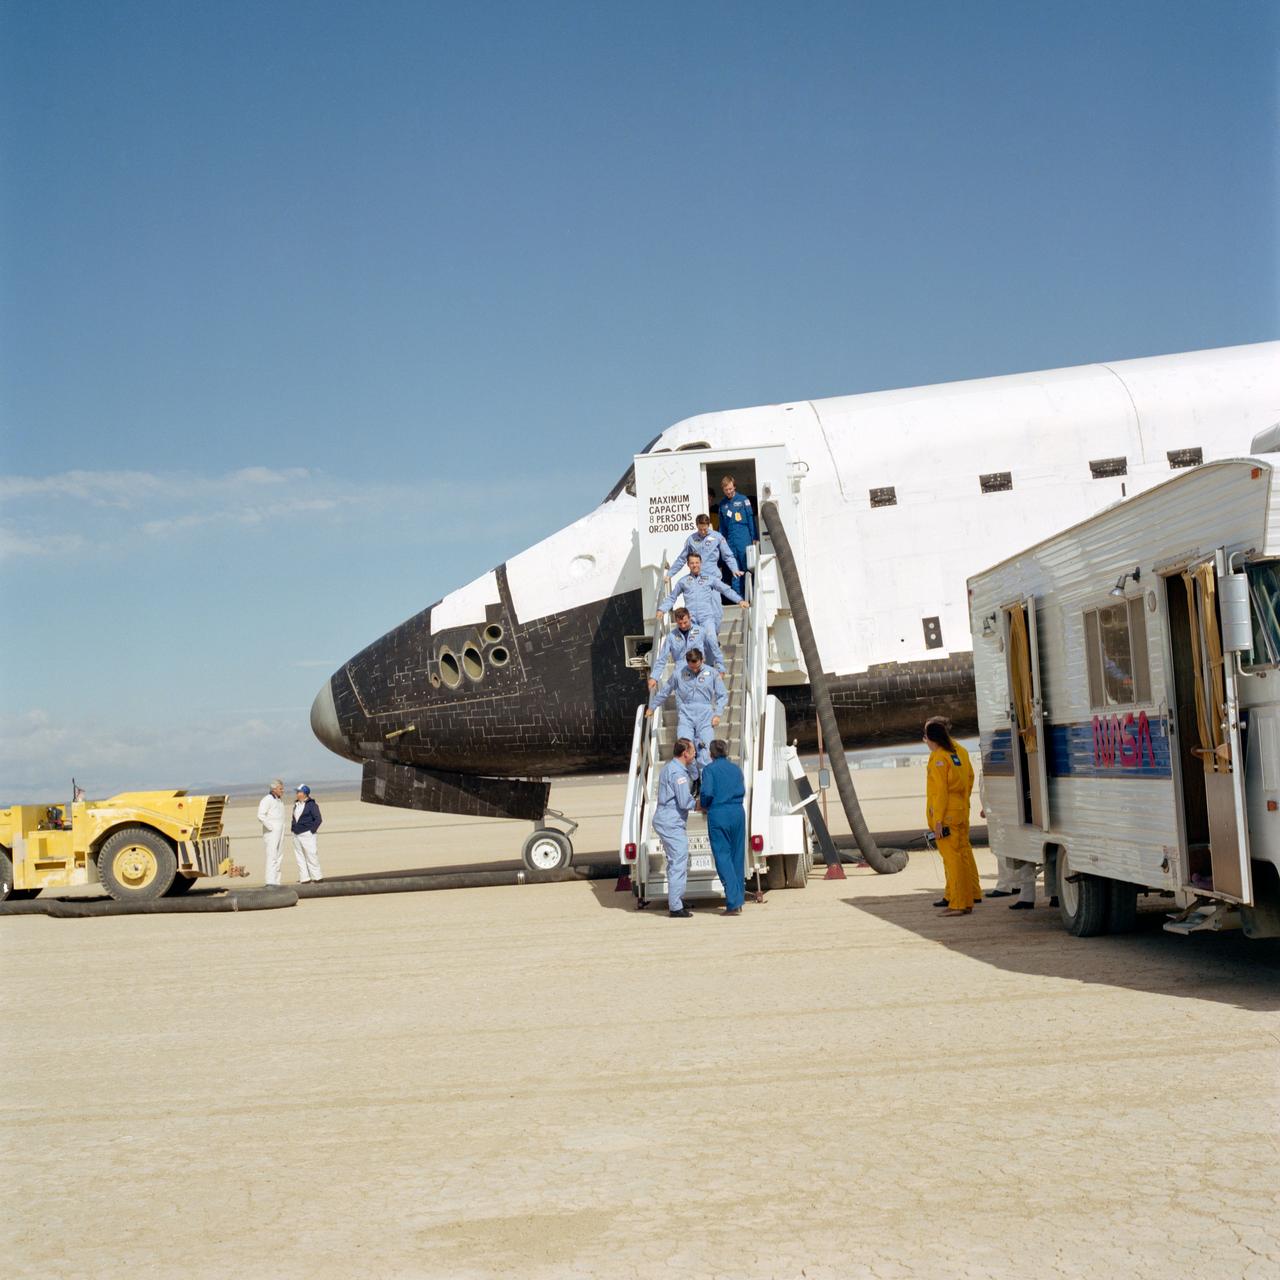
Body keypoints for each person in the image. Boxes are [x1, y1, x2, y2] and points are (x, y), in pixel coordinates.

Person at [924, 717, 981, 916]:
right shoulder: (960, 752)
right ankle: (967, 899)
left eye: (926, 738)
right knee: (963, 856)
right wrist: (963, 801)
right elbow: (970, 778)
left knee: (952, 861)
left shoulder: (940, 757)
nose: (926, 742)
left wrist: (938, 820)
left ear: (933, 739)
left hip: (947, 815)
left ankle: (957, 904)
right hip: (961, 812)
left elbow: (940, 792)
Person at [646, 648, 727, 774]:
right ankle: (695, 777)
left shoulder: (712, 673)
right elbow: (665, 691)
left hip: (705, 715)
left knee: (705, 751)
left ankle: (705, 780)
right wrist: (652, 707)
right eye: (691, 667)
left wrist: (718, 714)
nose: (694, 670)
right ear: (687, 662)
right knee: (685, 750)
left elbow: (722, 695)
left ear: (702, 660)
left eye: (697, 667)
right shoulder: (679, 673)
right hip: (686, 715)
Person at [653, 738, 699, 917]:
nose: (695, 754)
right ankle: (675, 907)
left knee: (676, 861)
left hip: (667, 820)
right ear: (685, 753)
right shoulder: (678, 774)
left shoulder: (669, 768)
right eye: (693, 751)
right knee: (678, 862)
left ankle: (676, 899)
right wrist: (700, 805)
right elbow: (684, 801)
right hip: (670, 822)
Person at [656, 551, 747, 642]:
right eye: (692, 563)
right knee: (693, 648)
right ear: (688, 564)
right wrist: (662, 609)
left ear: (701, 563)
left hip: (706, 618)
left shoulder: (710, 579)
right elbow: (672, 597)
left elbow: (725, 590)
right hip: (691, 619)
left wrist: (739, 600)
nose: (695, 565)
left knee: (711, 641)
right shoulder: (683, 581)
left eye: (697, 562)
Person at [700, 740, 747, 915]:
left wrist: (703, 804)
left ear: (711, 754)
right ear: (726, 752)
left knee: (722, 856)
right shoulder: (736, 769)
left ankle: (734, 902)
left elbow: (707, 793)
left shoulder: (709, 770)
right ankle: (739, 898)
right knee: (737, 855)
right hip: (737, 811)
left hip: (719, 812)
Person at [648, 606, 724, 687]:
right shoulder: (671, 637)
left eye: (685, 622)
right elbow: (662, 658)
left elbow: (715, 649)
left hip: (699, 674)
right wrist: (654, 677)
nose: (683, 626)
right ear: (676, 621)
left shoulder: (701, 631)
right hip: (682, 676)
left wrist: (720, 669)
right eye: (680, 623)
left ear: (690, 618)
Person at [717, 474, 757, 588]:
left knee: (748, 567)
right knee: (734, 570)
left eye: (730, 489)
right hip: (730, 541)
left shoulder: (743, 500)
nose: (728, 492)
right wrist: (721, 542)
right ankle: (738, 600)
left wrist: (754, 537)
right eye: (726, 490)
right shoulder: (722, 504)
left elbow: (751, 519)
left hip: (744, 539)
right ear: (723, 490)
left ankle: (751, 598)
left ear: (734, 487)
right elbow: (722, 527)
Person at [290, 784, 324, 884]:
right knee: (299, 857)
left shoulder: (312, 805)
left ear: (304, 793)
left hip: (307, 834)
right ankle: (304, 878)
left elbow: (318, 819)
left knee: (311, 855)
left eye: (299, 792)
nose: (297, 794)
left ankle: (317, 877)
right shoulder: (296, 805)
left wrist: (311, 831)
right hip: (296, 834)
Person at [257, 778, 287, 888]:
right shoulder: (267, 799)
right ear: (274, 789)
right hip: (272, 833)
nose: (282, 791)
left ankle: (277, 881)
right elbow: (261, 815)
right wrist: (271, 827)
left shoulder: (279, 801)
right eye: (280, 789)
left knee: (279, 856)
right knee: (272, 856)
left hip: (280, 830)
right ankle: (270, 881)